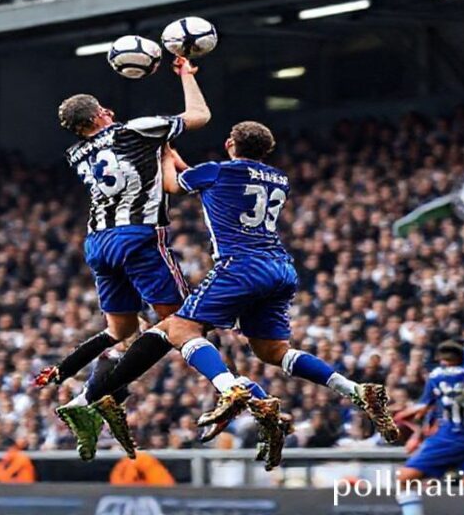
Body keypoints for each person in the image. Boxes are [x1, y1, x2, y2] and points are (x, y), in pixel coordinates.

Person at [69, 121, 399, 470]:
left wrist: (162, 150)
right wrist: (174, 156)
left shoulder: (215, 171)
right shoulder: (278, 179)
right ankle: (355, 390)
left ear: (230, 143)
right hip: (279, 267)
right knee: (272, 351)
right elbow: (205, 179)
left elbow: (172, 184)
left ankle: (229, 388)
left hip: (240, 266)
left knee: (179, 328)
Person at [34, 57, 211, 460]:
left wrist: (160, 146)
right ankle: (95, 397)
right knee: (182, 323)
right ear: (99, 114)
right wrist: (186, 75)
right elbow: (200, 115)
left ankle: (90, 396)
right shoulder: (136, 129)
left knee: (123, 330)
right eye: (104, 109)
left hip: (99, 242)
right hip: (137, 236)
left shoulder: (77, 153)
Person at [395, 341, 464, 515]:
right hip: (447, 436)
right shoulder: (436, 375)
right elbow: (426, 404)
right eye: (444, 361)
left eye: (450, 361)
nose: (446, 365)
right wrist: (409, 422)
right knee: (405, 477)